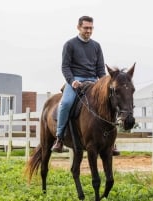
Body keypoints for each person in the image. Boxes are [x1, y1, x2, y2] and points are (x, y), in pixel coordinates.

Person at [51, 16, 120, 156]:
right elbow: (65, 67)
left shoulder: (96, 46)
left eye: (91, 28)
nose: (88, 31)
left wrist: (104, 83)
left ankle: (111, 142)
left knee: (111, 101)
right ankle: (59, 138)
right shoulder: (70, 44)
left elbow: (100, 69)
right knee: (65, 103)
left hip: (93, 81)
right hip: (75, 81)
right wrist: (72, 81)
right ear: (78, 27)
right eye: (86, 28)